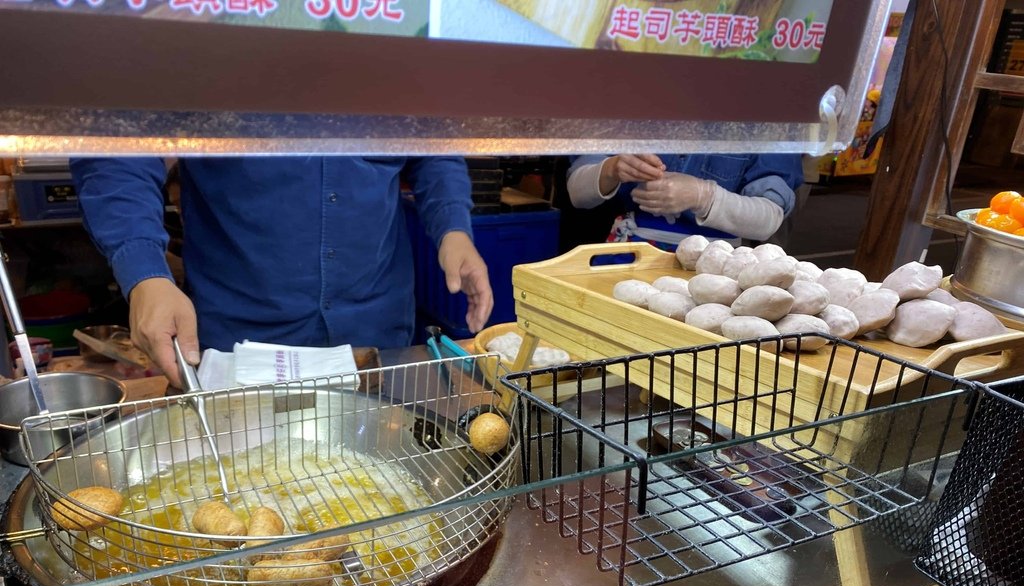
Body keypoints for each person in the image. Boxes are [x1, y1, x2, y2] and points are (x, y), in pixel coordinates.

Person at [70, 156, 493, 387]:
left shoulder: (394, 29)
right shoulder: (207, 23)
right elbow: (121, 151)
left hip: (375, 337)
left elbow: (434, 146)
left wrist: (453, 227)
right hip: (239, 344)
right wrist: (145, 272)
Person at [565, 153, 804, 249]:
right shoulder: (630, 95)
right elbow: (577, 194)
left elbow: (768, 220)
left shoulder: (763, 109)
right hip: (630, 258)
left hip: (716, 269)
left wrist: (704, 196)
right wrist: (611, 169)